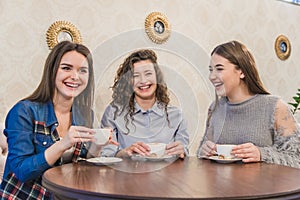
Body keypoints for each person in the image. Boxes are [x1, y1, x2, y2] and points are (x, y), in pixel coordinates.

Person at [0, 41, 117, 199]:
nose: (75, 76)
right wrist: (62, 144)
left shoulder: (84, 114)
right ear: (52, 70)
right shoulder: (24, 111)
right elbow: (22, 171)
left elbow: (80, 166)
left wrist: (96, 147)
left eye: (83, 71)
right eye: (66, 68)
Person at [197, 40, 300, 168]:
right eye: (211, 70)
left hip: (264, 187)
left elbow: (296, 158)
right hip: (221, 187)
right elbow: (202, 153)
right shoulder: (215, 108)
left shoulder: (275, 107)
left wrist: (262, 154)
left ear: (241, 71)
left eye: (219, 69)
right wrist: (203, 151)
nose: (212, 76)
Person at [100, 49, 189, 159]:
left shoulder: (176, 115)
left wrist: (182, 151)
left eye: (148, 74)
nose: (143, 81)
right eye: (136, 75)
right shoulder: (113, 113)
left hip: (167, 174)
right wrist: (126, 152)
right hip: (126, 175)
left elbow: (184, 152)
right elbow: (107, 154)